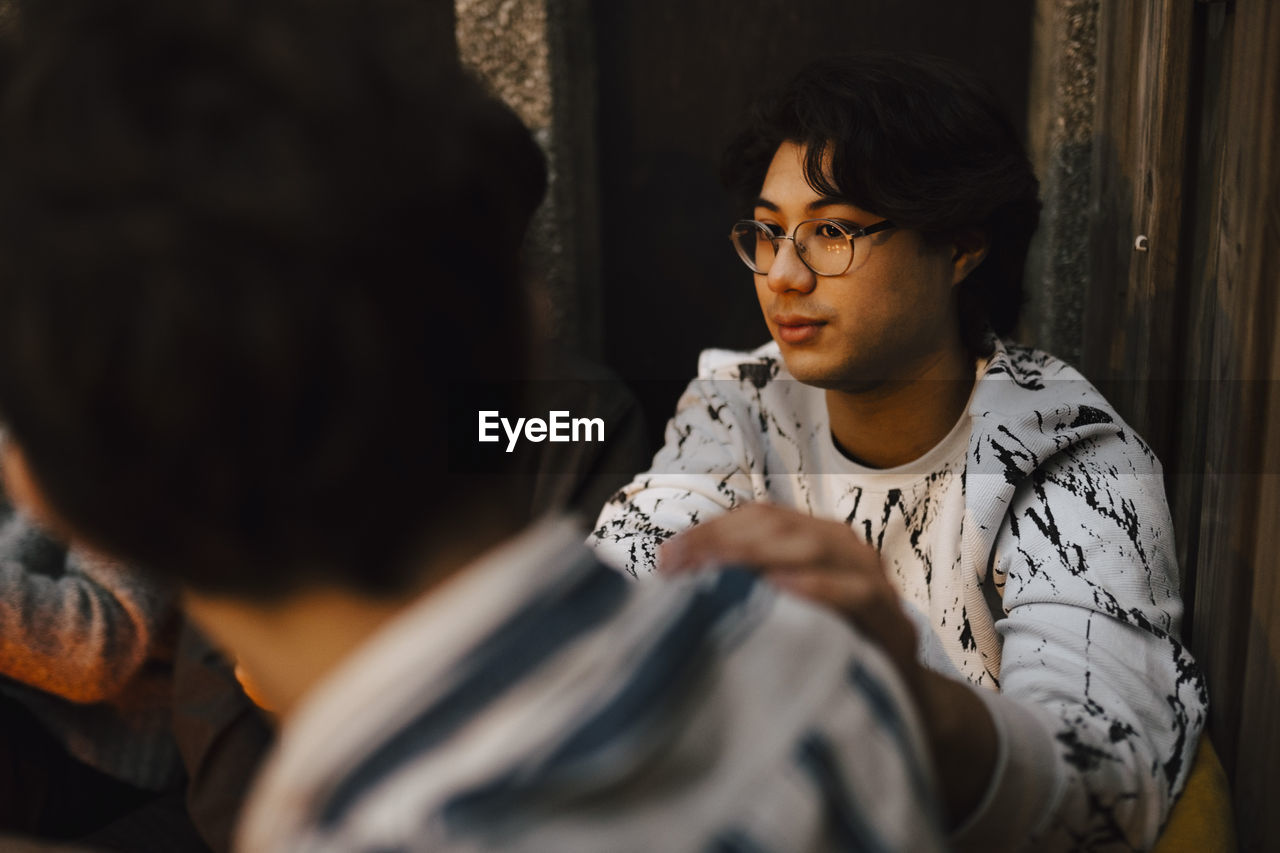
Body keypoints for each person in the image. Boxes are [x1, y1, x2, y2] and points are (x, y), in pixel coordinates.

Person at [0, 3, 950, 850]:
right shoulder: (827, 664)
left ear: (41, 478)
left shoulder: (562, 420)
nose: (787, 271)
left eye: (835, 230)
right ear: (522, 310)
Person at [590, 53, 1208, 850]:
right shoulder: (743, 402)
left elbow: (1104, 793)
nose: (782, 274)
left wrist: (898, 684)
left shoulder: (1067, 459)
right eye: (769, 232)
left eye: (832, 233)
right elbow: (623, 577)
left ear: (960, 247)